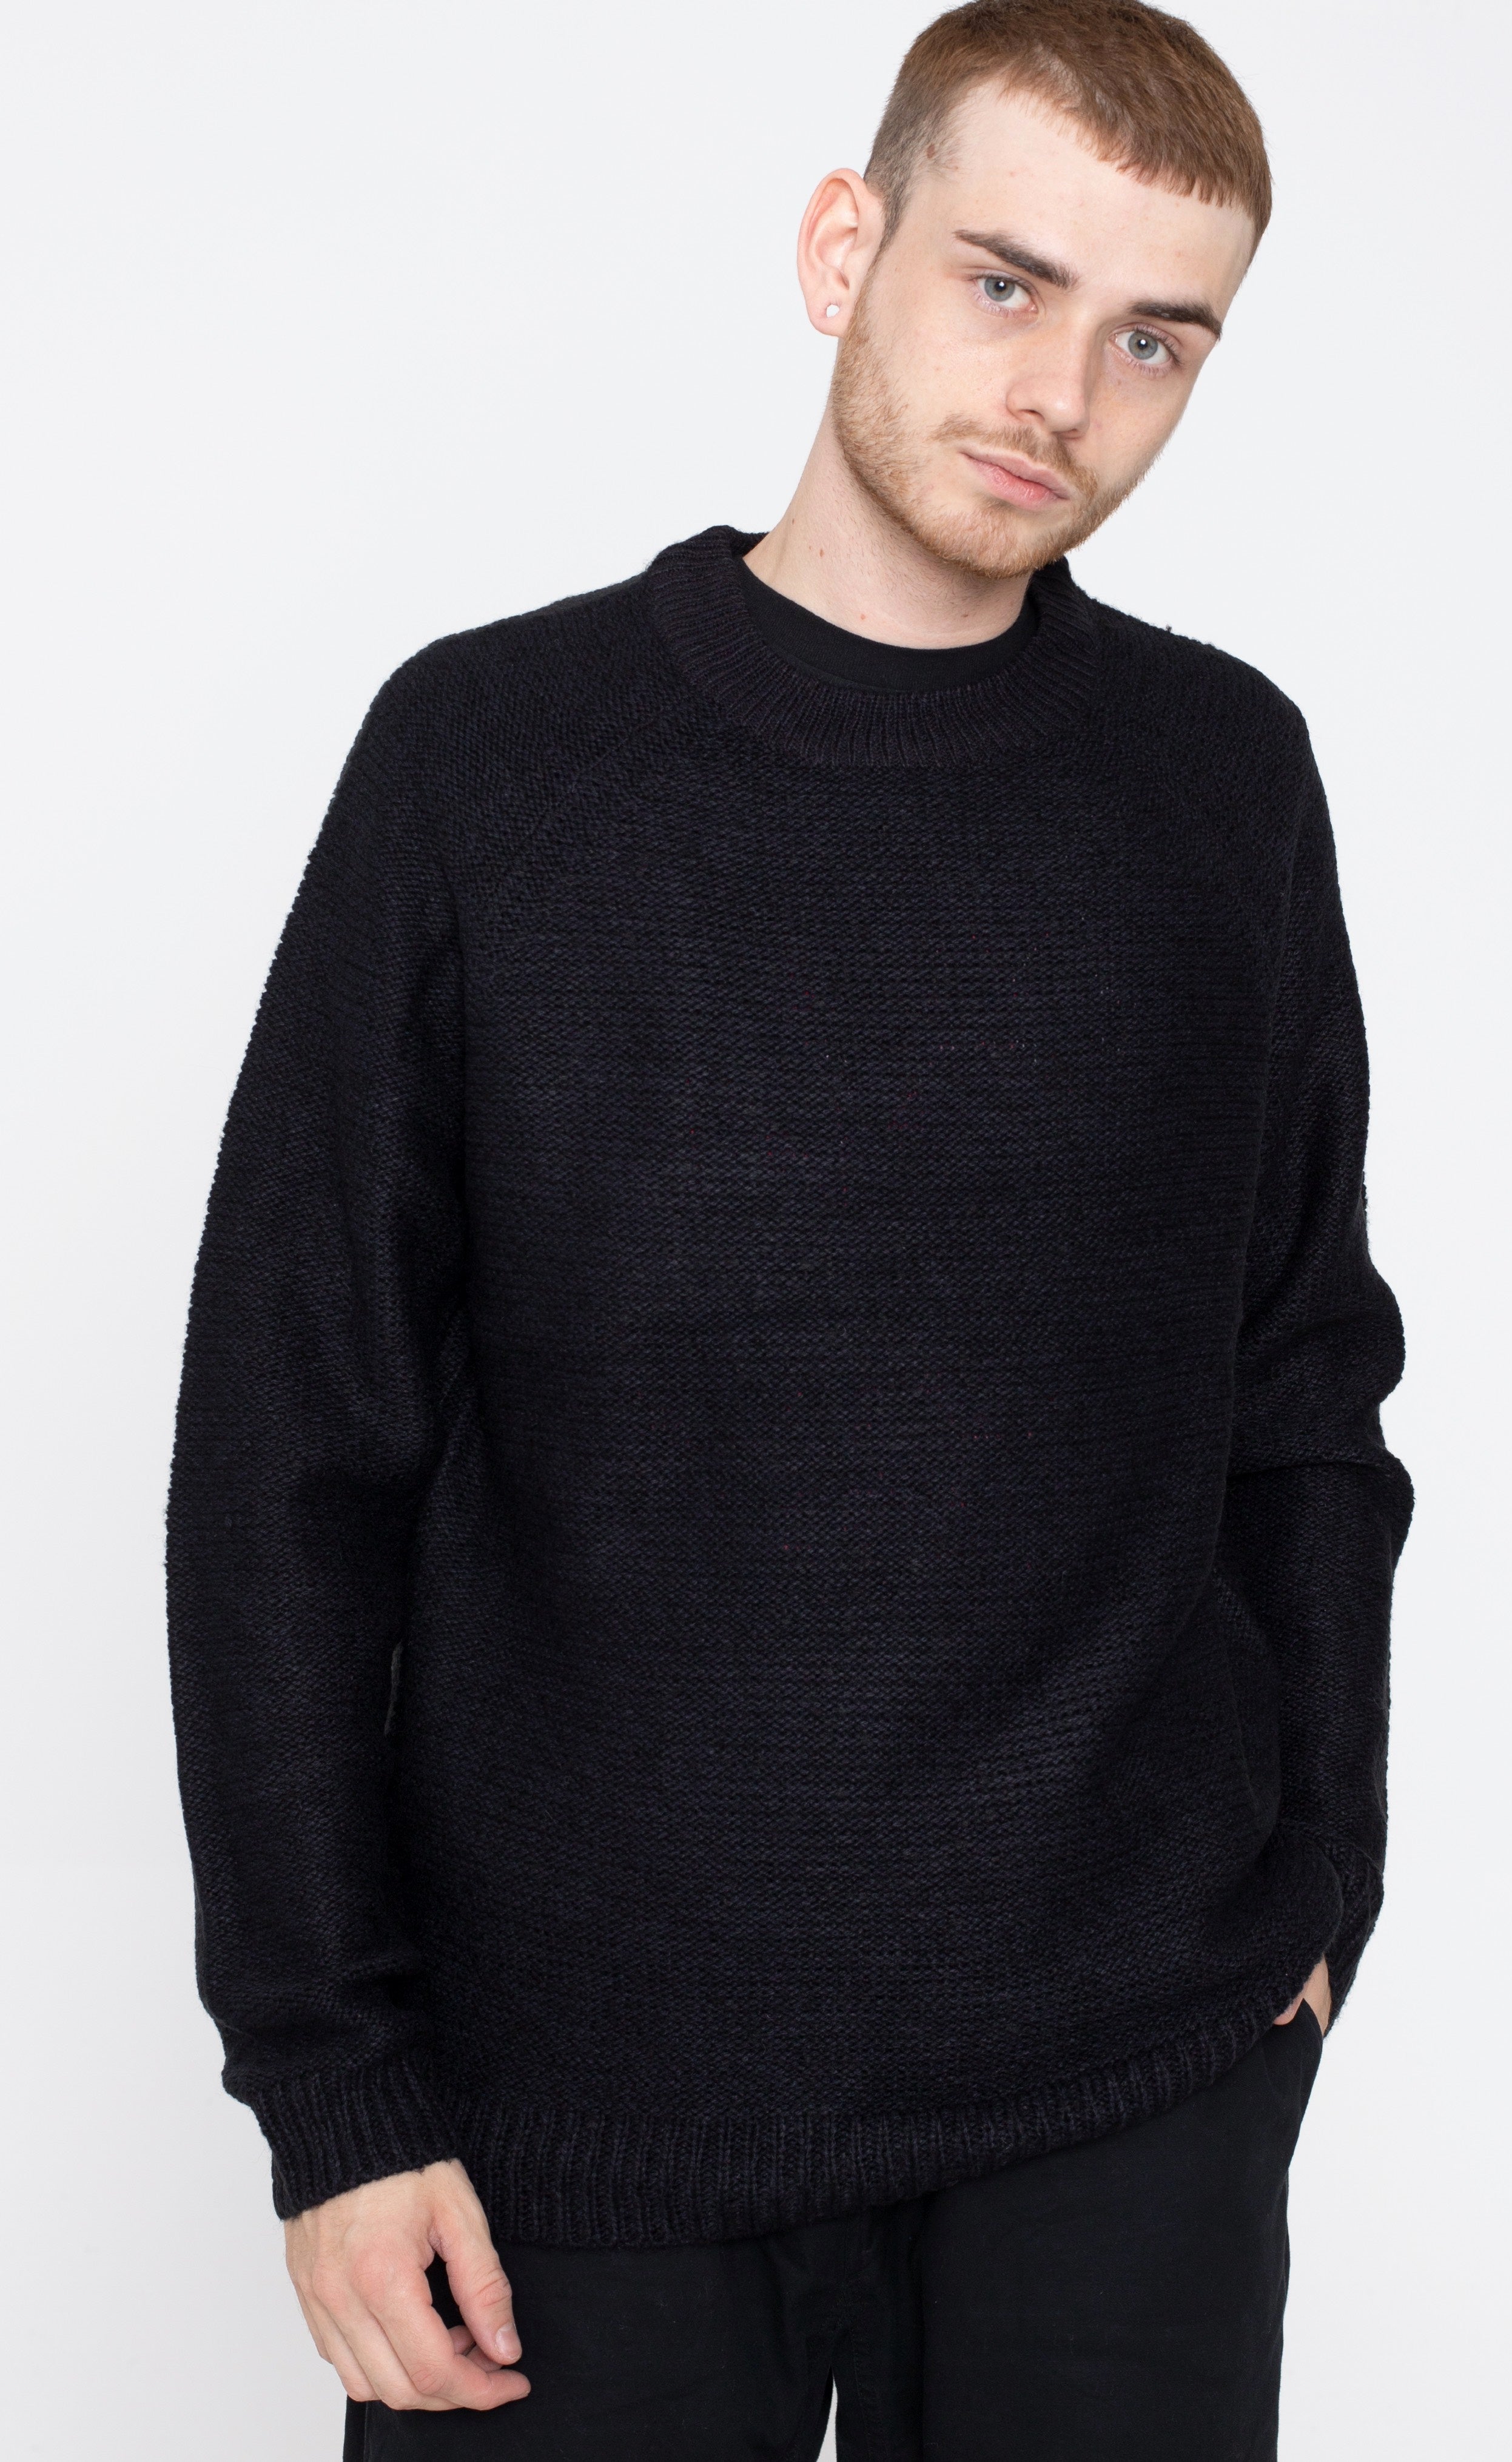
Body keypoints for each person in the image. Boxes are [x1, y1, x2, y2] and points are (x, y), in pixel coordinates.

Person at [167, 2, 1412, 2452]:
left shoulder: (1220, 783)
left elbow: (1303, 1384)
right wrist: (331, 2082)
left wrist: (1320, 1891)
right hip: (575, 2111)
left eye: (1156, 338)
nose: (1063, 391)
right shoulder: (492, 762)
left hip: (1124, 2078)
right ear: (847, 246)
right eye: (1006, 282)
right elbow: (290, 1456)